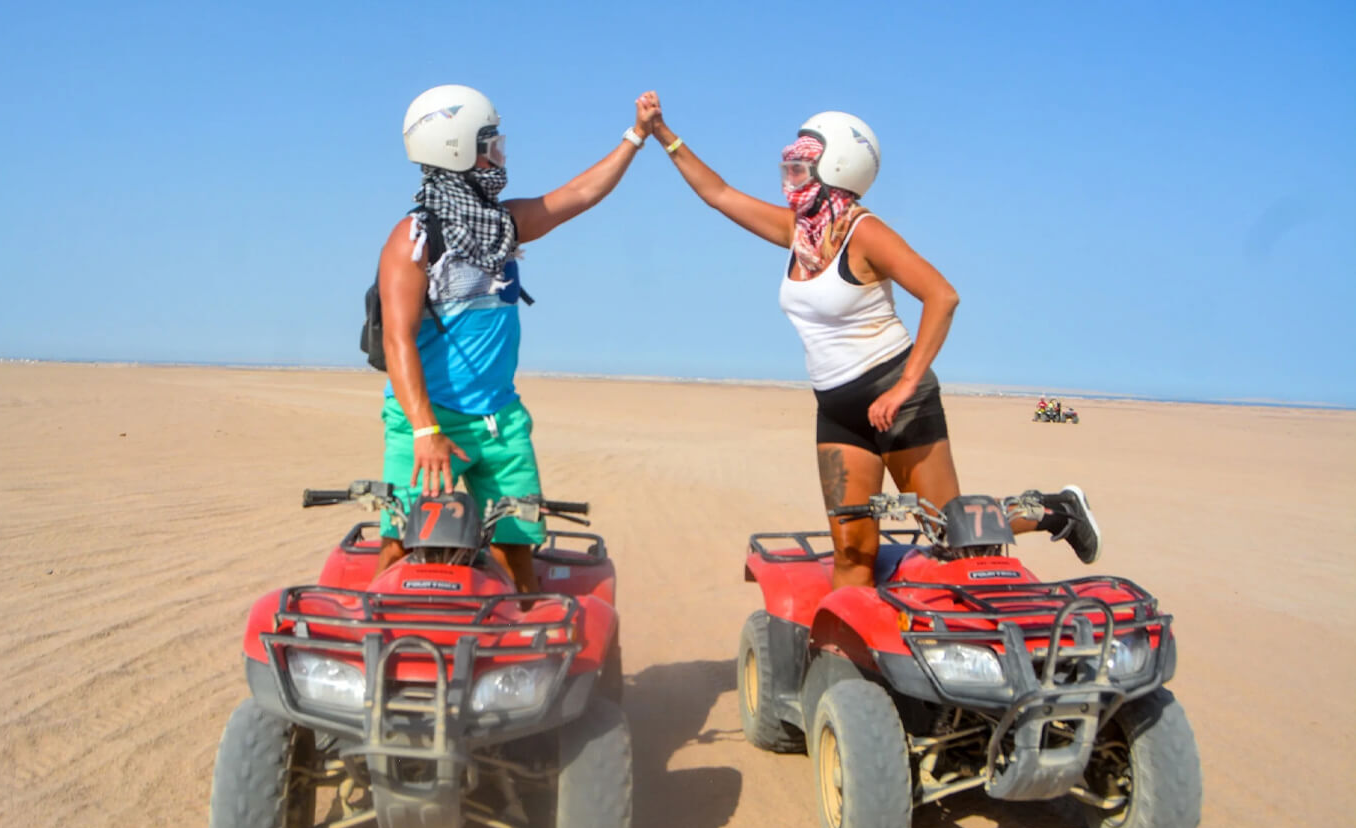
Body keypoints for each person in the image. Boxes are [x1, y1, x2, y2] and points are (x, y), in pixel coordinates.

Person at [637, 91, 1100, 587]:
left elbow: (942, 296)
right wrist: (663, 134)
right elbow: (718, 194)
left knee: (951, 534)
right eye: (789, 166)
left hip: (897, 396)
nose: (790, 177)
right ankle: (839, 640)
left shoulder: (866, 233)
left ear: (837, 168)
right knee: (852, 553)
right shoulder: (799, 232)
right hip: (837, 408)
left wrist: (904, 388)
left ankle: (1057, 510)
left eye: (802, 167)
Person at [376, 85, 658, 591]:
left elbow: (579, 194)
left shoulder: (502, 225)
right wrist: (425, 431)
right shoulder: (413, 239)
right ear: (457, 151)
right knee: (401, 545)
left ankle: (519, 639)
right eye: (489, 145)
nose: (500, 156)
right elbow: (398, 341)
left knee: (516, 550)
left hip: (499, 421)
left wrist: (635, 137)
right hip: (426, 418)